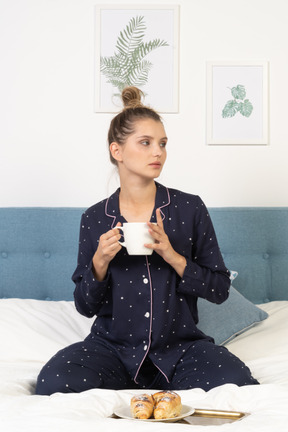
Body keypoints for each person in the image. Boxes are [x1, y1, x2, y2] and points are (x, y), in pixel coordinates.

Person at [36, 86, 258, 395]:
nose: (158, 152)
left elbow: (220, 289)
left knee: (240, 382)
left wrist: (173, 256)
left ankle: (161, 386)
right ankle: (128, 383)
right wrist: (99, 263)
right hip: (111, 349)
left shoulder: (189, 208)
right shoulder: (94, 218)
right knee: (54, 381)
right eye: (146, 143)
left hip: (180, 348)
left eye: (163, 144)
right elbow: (85, 307)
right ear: (117, 151)